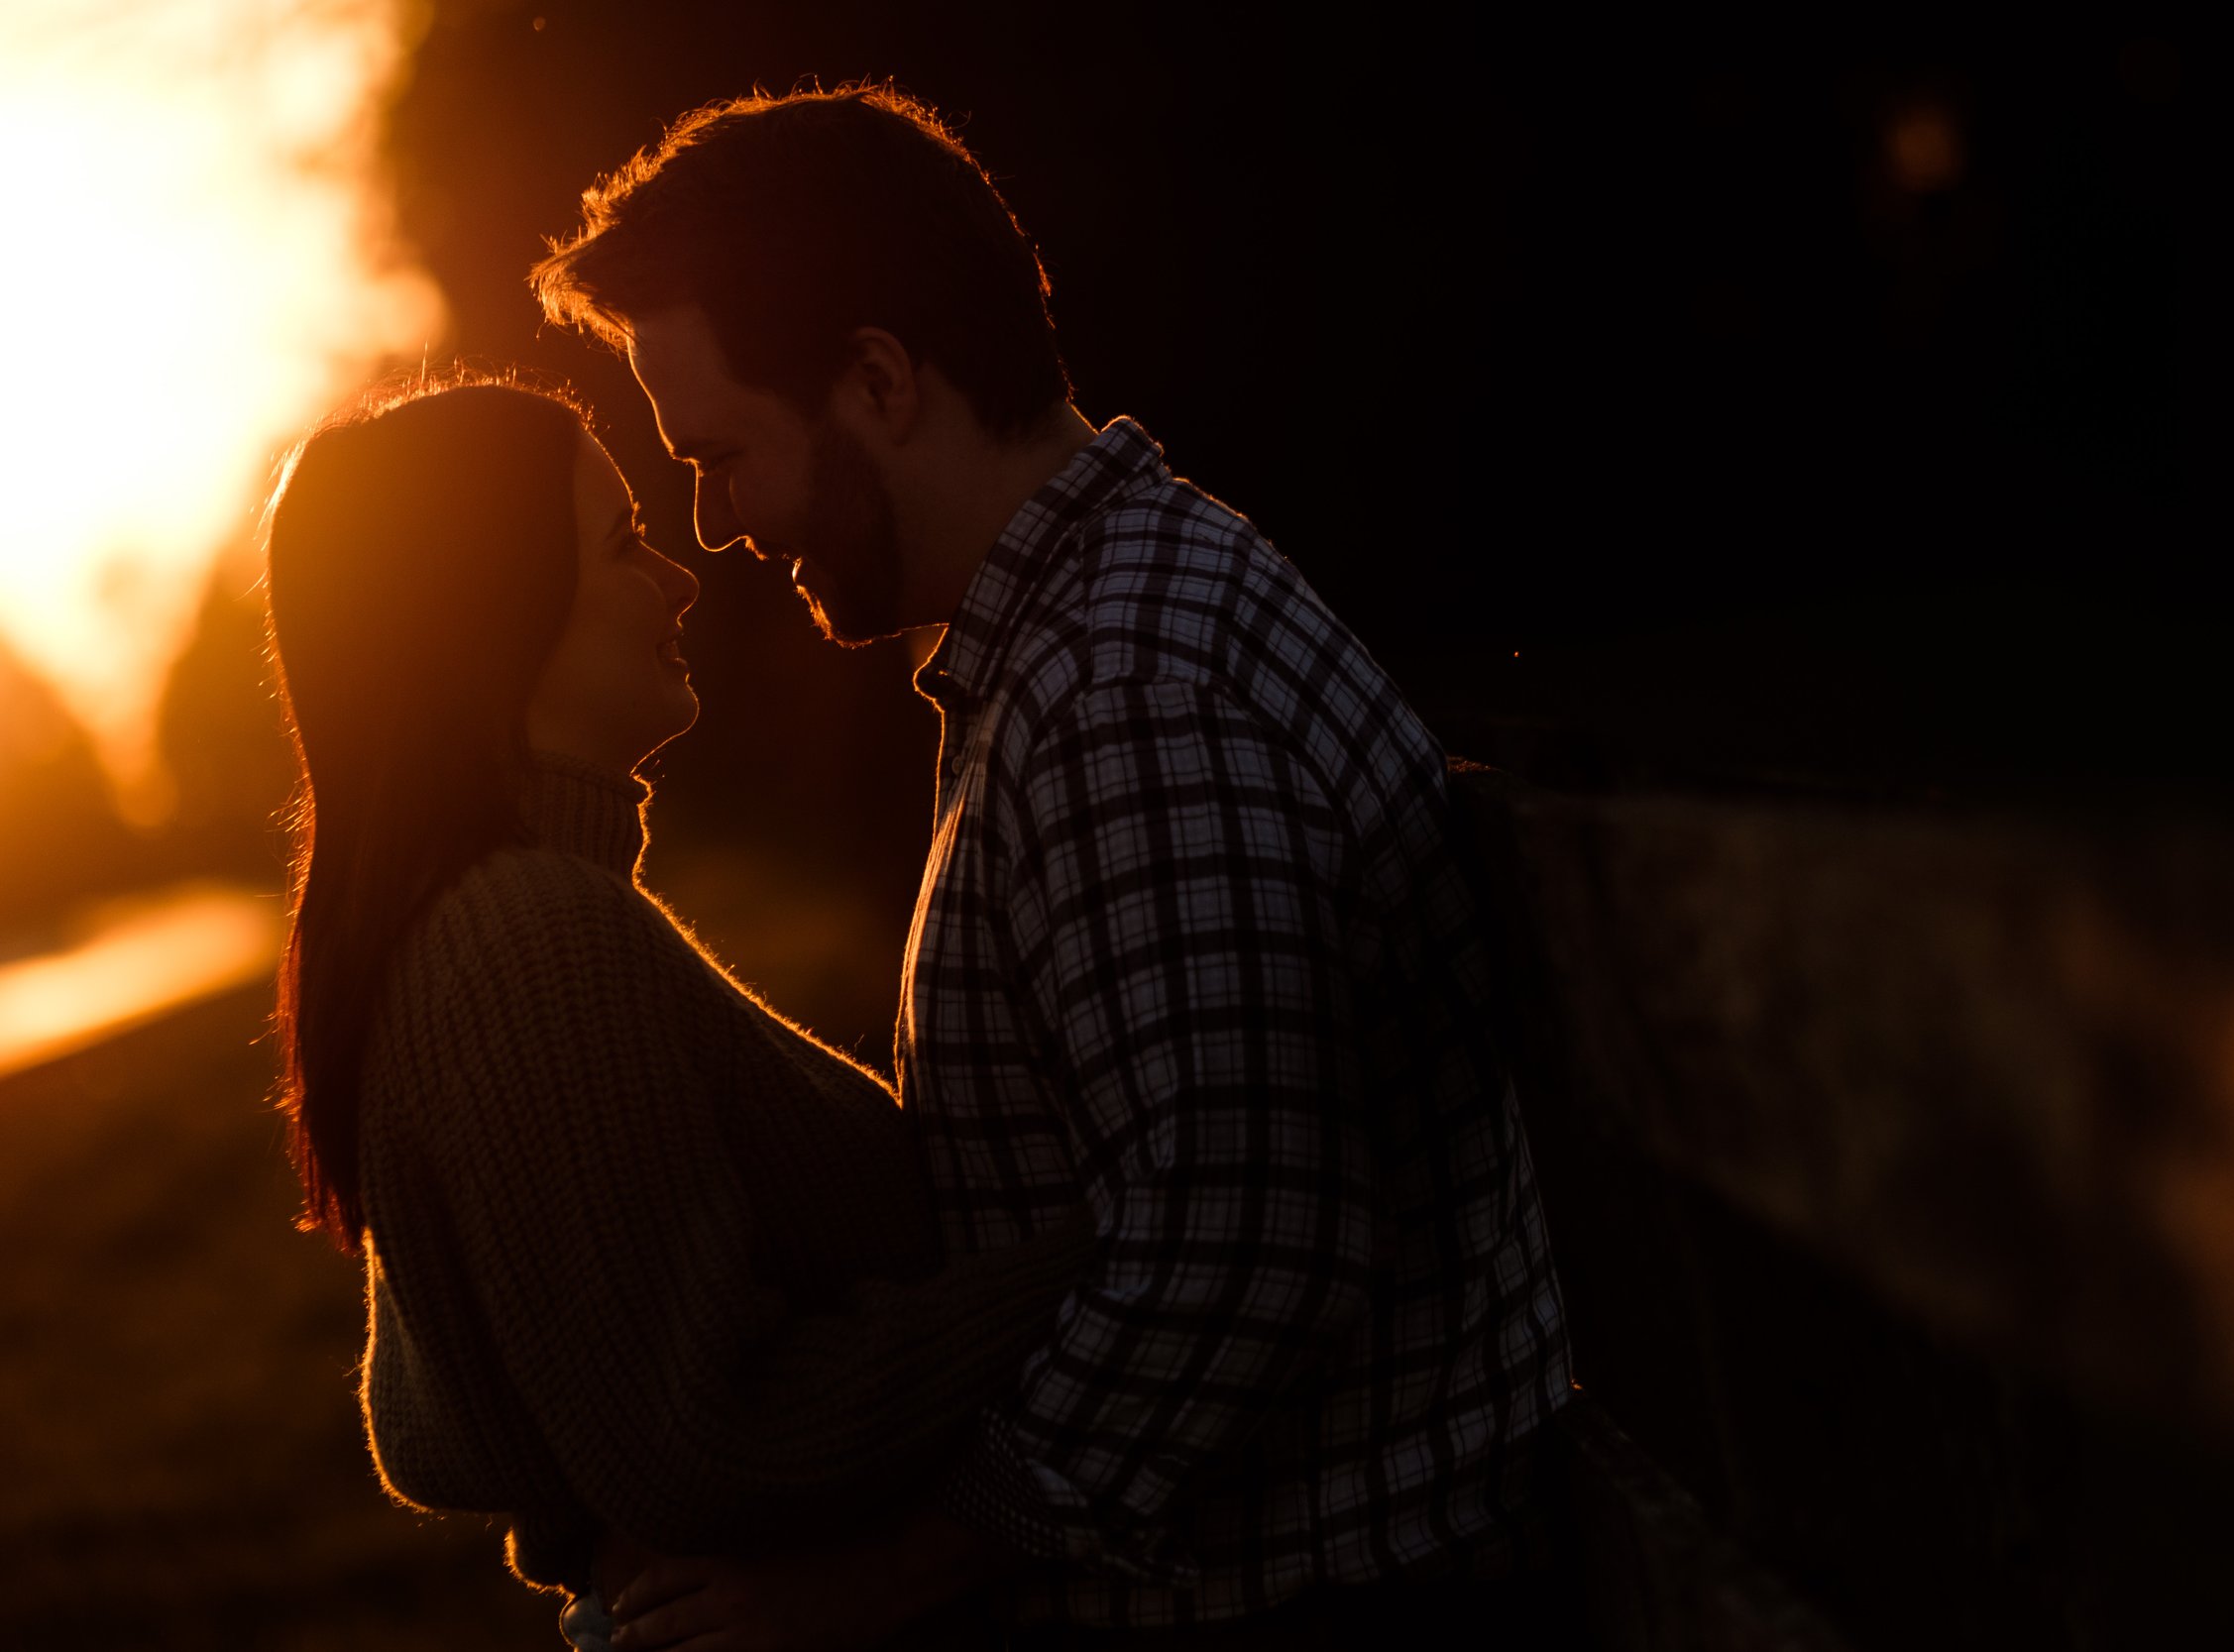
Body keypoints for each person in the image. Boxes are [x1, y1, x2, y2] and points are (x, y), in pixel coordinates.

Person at [530, 85, 1574, 1647]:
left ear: (877, 378)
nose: (714, 520)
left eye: (721, 449)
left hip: (1325, 1600)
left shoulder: (1118, 685)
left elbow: (1240, 1240)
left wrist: (885, 1574)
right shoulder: (1095, 629)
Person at [261, 376, 1092, 1639]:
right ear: (496, 615)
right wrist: (1101, 1254)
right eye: (621, 544)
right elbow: (699, 1444)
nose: (683, 576)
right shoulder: (525, 941)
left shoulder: (482, 925)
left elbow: (484, 1407)